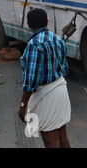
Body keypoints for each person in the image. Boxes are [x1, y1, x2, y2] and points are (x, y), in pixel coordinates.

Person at [18, 8, 71, 148]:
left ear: (28, 24)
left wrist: (23, 105)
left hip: (46, 95)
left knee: (50, 139)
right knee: (62, 134)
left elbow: (31, 81)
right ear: (47, 21)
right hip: (60, 89)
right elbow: (64, 69)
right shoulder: (58, 39)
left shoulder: (34, 45)